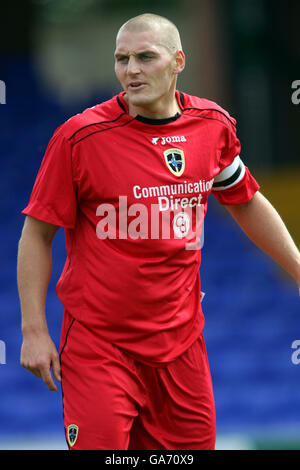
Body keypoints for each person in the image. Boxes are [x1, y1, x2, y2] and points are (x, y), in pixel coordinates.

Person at [17, 13, 300, 450]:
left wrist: (297, 268)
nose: (131, 70)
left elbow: (244, 200)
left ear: (178, 61)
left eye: (145, 57)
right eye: (122, 59)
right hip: (100, 346)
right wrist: (34, 330)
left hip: (182, 344)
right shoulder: (79, 138)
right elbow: (36, 235)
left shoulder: (212, 125)